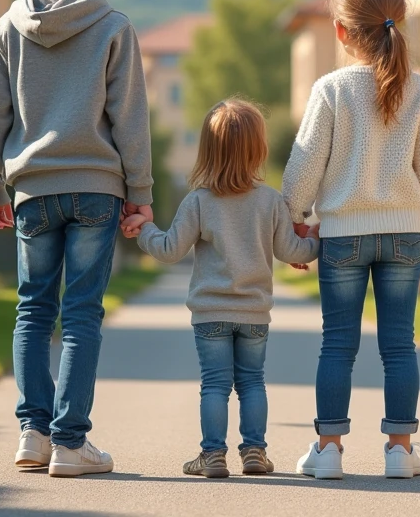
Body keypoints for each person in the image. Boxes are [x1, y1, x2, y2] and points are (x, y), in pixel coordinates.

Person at [0, 0, 153, 478]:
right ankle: (71, 441)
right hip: (96, 190)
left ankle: (33, 434)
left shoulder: (9, 27)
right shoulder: (113, 25)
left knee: (32, 311)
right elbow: (130, 119)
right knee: (80, 315)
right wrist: (140, 192)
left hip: (32, 191)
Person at [282, 0, 420, 480]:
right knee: (399, 343)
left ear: (341, 31)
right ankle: (400, 450)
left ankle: (328, 450)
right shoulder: (419, 90)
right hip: (401, 233)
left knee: (338, 343)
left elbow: (305, 163)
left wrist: (294, 219)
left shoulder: (330, 88)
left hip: (342, 236)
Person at [121, 99, 320, 478]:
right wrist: (317, 241)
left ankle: (213, 455)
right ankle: (255, 452)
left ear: (207, 151)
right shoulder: (271, 201)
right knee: (252, 382)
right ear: (258, 149)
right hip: (255, 313)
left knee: (214, 384)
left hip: (210, 313)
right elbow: (290, 250)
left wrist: (143, 229)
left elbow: (168, 249)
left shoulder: (198, 201)